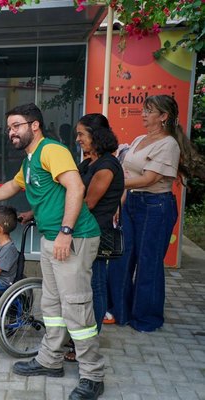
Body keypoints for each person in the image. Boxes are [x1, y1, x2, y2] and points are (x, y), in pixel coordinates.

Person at [0, 103, 104, 400]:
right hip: (51, 237)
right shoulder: (31, 161)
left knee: (76, 306)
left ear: (34, 126)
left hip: (73, 237)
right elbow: (13, 186)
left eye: (16, 126)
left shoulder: (52, 151)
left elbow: (76, 188)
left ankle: (93, 374)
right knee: (53, 305)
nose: (11, 132)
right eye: (9, 128)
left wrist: (66, 232)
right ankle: (50, 360)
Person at [108, 94, 204, 332]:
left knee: (148, 263)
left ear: (164, 116)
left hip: (155, 207)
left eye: (149, 111)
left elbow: (149, 178)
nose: (143, 114)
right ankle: (120, 311)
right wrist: (119, 203)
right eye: (143, 109)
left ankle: (146, 319)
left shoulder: (168, 144)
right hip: (131, 202)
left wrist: (114, 185)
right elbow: (126, 172)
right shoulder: (141, 138)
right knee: (122, 256)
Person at [65, 114, 124, 362]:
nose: (78, 139)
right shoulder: (89, 162)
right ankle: (79, 336)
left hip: (96, 234)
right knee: (84, 286)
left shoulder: (107, 166)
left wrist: (63, 224)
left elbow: (87, 202)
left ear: (96, 136)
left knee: (95, 287)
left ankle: (89, 341)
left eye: (82, 134)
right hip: (84, 232)